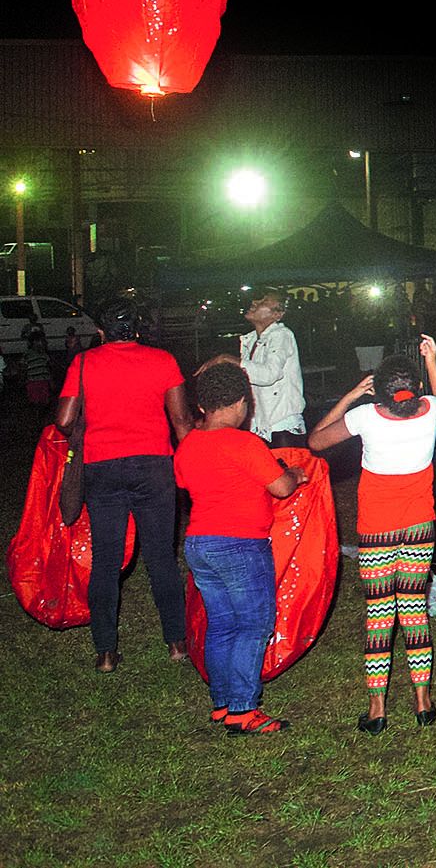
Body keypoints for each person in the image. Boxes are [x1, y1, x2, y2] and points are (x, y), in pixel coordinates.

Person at [310, 336, 436, 732]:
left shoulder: (367, 416)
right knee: (414, 609)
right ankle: (423, 701)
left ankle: (377, 709)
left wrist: (351, 395)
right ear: (416, 388)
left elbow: (316, 440)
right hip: (420, 528)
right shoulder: (430, 411)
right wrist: (432, 364)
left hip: (377, 532)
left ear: (380, 392)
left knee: (380, 614)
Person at [52, 298, 194, 672]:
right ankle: (177, 643)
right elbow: (181, 419)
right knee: (161, 556)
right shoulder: (163, 361)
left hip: (102, 467)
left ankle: (105, 652)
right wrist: (192, 463)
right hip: (153, 465)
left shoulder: (83, 362)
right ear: (136, 329)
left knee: (106, 560)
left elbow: (64, 419)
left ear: (101, 331)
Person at [175, 363, 307, 734]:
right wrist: (295, 474)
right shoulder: (245, 443)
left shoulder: (188, 445)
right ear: (240, 404)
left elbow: (187, 482)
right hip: (240, 544)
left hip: (200, 543)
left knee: (221, 623)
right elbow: (280, 487)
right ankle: (244, 709)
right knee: (254, 624)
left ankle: (222, 703)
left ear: (202, 406)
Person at [202, 289, 307, 448]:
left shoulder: (281, 334)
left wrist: (227, 359)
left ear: (277, 314)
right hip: (260, 425)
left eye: (263, 302)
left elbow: (269, 374)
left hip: (280, 426)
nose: (254, 304)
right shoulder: (250, 340)